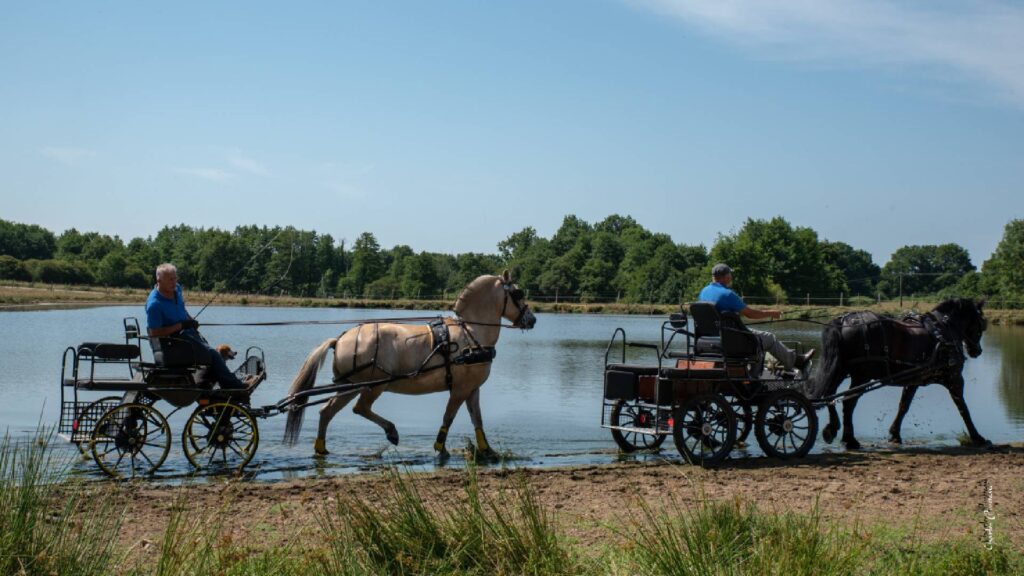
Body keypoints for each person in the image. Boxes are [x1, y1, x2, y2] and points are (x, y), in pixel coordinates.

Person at [145, 263, 252, 390]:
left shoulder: (176, 289)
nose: (174, 282)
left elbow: (181, 309)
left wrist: (190, 320)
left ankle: (208, 385)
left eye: (175, 278)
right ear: (159, 280)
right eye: (170, 279)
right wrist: (180, 326)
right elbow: (154, 333)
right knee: (213, 354)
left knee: (209, 351)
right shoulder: (154, 304)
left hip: (186, 337)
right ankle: (234, 386)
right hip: (172, 347)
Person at [697, 263, 814, 374]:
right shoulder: (727, 294)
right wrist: (772, 313)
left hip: (709, 339)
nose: (731, 277)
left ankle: (754, 373)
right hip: (732, 340)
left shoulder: (703, 292)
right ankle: (794, 362)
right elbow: (751, 314)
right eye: (730, 274)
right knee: (769, 338)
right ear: (726, 276)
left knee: (761, 339)